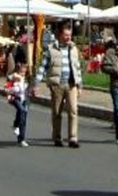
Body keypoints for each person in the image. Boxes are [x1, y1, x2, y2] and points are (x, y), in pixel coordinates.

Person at [33, 19, 83, 148]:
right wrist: (36, 84)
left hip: (71, 84)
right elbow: (42, 67)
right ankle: (57, 137)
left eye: (69, 35)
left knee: (73, 110)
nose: (68, 38)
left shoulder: (73, 49)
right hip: (57, 85)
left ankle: (73, 138)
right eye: (66, 35)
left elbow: (77, 68)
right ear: (60, 35)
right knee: (57, 112)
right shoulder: (51, 50)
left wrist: (80, 85)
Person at [6, 60, 29, 147]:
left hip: (24, 99)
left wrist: (32, 90)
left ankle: (21, 139)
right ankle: (16, 125)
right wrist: (12, 88)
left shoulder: (26, 79)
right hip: (16, 98)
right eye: (21, 72)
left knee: (23, 117)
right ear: (17, 71)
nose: (23, 74)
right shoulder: (13, 77)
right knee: (22, 110)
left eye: (24, 72)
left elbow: (29, 87)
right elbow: (7, 87)